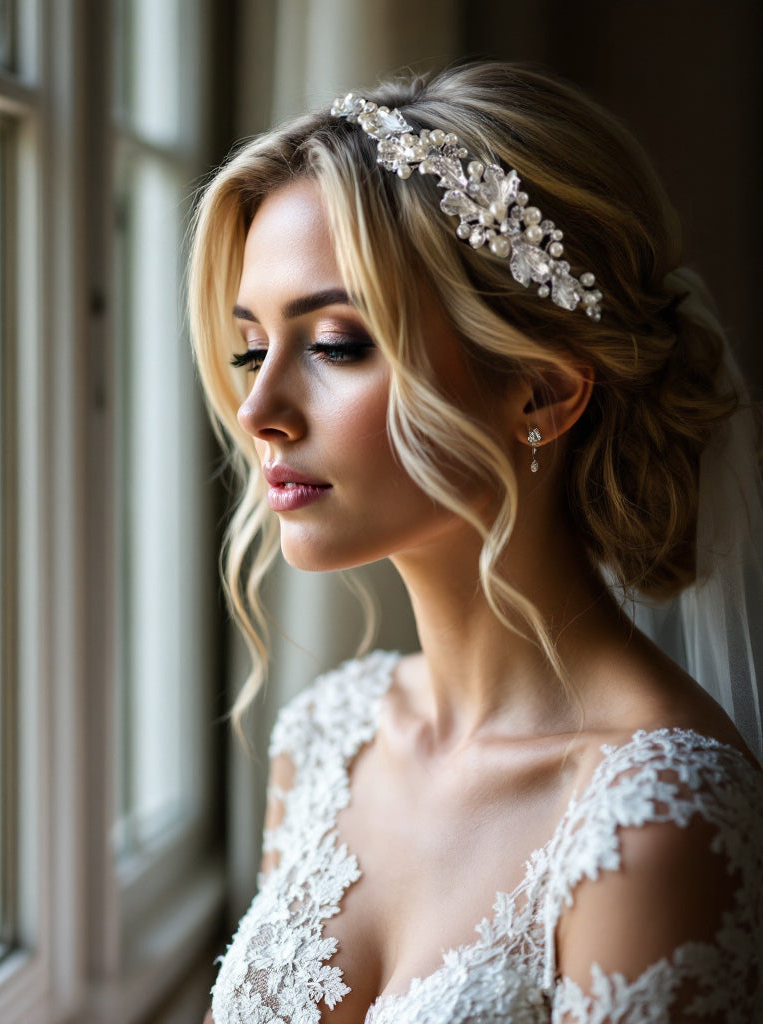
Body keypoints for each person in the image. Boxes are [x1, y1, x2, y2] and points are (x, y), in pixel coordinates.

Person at [189, 62, 763, 1023]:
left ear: (539, 392)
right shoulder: (329, 739)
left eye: (334, 344)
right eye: (252, 347)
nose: (259, 409)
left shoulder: (656, 822)